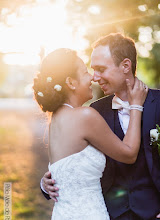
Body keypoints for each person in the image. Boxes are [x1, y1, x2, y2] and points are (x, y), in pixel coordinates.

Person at [41, 34, 160, 220]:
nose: (95, 77)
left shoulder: (159, 103)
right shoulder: (93, 111)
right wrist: (48, 183)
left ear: (126, 66)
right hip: (107, 213)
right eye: (91, 70)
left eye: (101, 69)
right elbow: (72, 164)